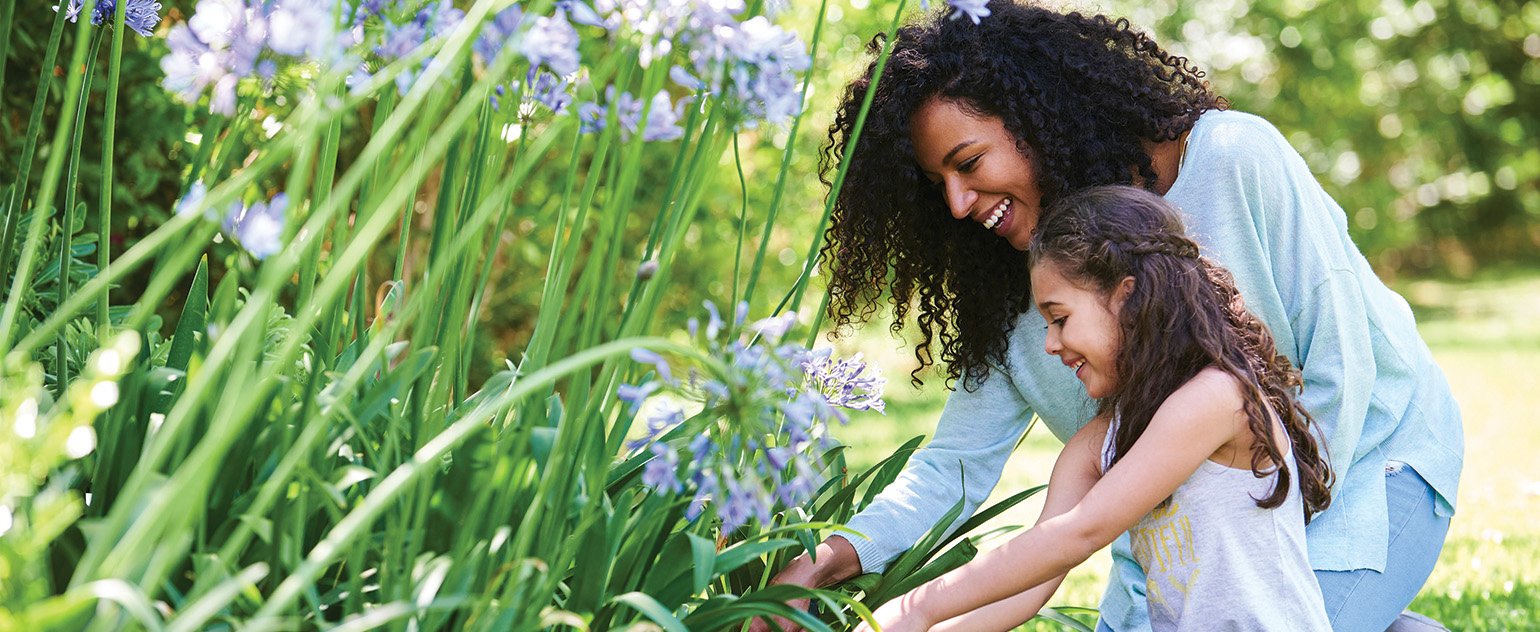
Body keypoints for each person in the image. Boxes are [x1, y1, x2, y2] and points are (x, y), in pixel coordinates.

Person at [759, 2, 1464, 631]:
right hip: (1182, 539)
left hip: (1366, 470)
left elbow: (1347, 366)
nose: (956, 203)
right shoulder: (1026, 287)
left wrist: (1278, 549)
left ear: (1036, 118)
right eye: (936, 183)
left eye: (969, 163)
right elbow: (957, 471)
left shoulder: (1232, 158)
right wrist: (825, 562)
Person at [853, 185, 1336, 631]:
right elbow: (1035, 578)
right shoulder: (1106, 437)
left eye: (1059, 318)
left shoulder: (1217, 398)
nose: (1049, 344)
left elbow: (1081, 533)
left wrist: (920, 606)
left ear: (1127, 297)